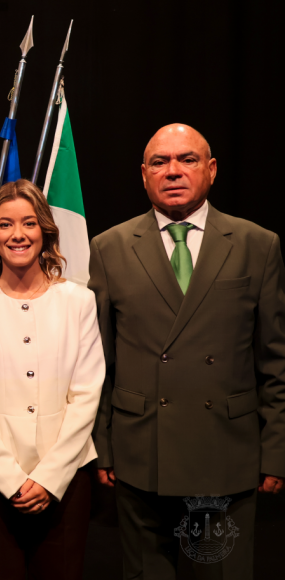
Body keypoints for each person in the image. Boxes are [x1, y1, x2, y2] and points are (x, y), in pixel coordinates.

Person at [89, 124, 285, 579]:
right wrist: (102, 445)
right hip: (141, 455)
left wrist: (276, 451)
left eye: (187, 159)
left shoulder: (258, 244)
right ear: (143, 175)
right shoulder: (110, 247)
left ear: (211, 170)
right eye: (160, 162)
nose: (173, 171)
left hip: (227, 453)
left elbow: (275, 361)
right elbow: (98, 361)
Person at [0, 179, 105, 579]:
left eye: (29, 223)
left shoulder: (80, 302)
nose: (17, 234)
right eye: (6, 224)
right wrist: (10, 479)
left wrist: (49, 478)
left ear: (45, 231)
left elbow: (87, 395)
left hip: (65, 481)